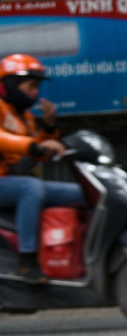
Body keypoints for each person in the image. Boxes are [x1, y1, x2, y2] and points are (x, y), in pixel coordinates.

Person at [0, 53, 83, 283]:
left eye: (37, 87)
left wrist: (48, 127)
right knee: (31, 187)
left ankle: (80, 256)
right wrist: (33, 146)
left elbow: (39, 154)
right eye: (31, 86)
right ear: (12, 83)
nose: (35, 93)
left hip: (13, 181)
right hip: (8, 182)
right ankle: (27, 260)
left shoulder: (25, 117)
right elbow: (6, 140)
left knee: (83, 193)